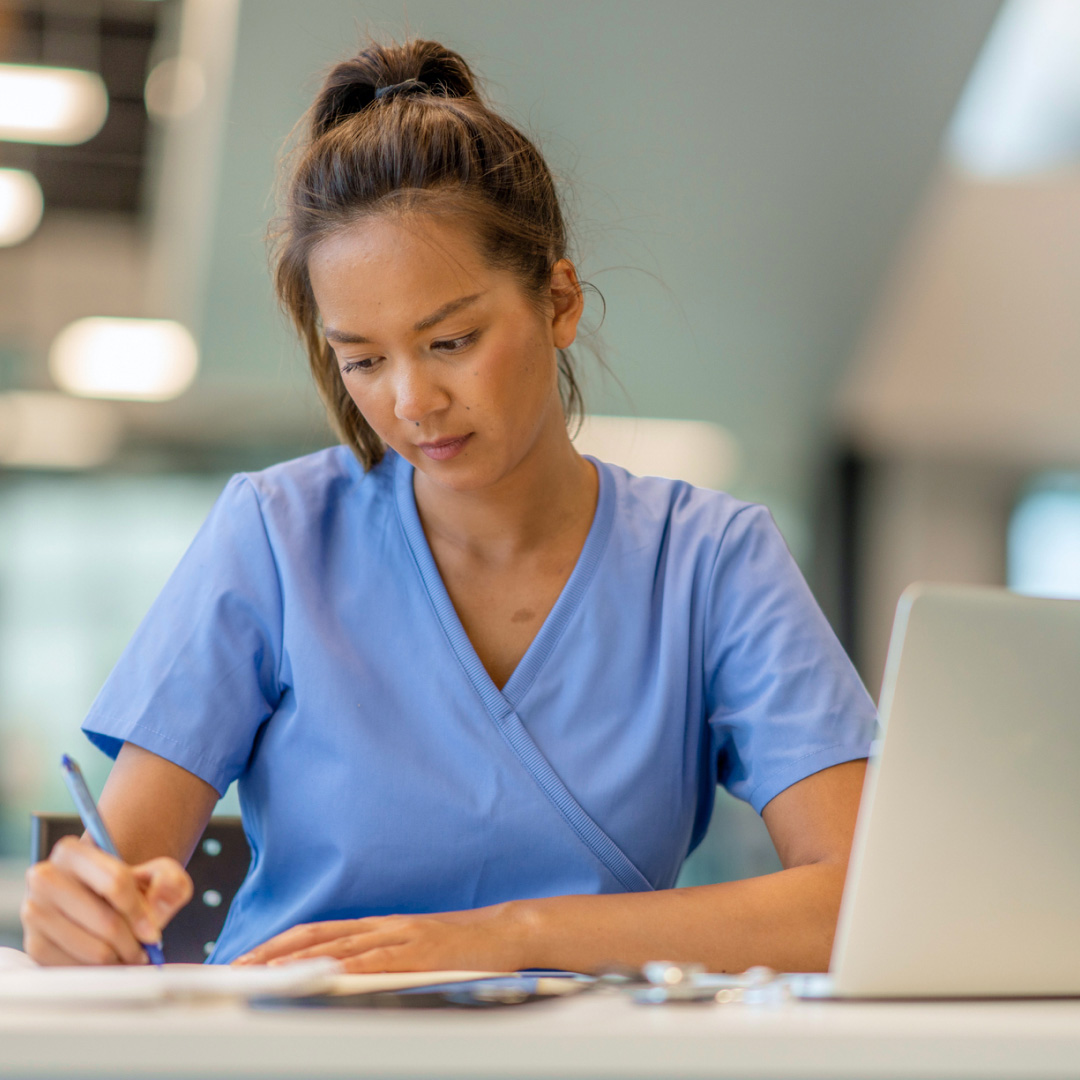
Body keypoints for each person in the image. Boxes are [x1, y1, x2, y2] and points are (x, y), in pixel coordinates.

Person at [21, 39, 876, 974]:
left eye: (452, 340)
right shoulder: (275, 535)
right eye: (362, 360)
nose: (410, 402)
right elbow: (119, 885)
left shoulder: (711, 561)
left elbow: (856, 900)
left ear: (558, 300)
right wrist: (83, 911)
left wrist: (509, 938)